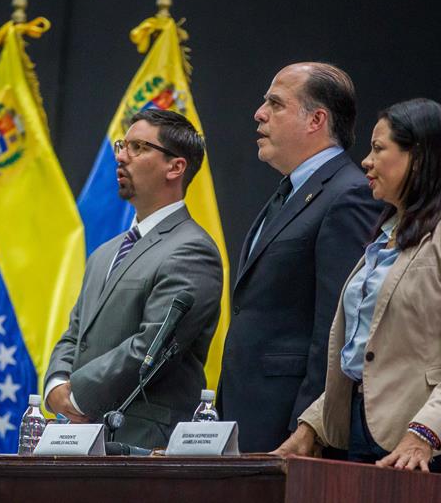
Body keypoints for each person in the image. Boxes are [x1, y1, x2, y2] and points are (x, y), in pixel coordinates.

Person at [275, 98, 441, 503]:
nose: (365, 161)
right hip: (363, 431)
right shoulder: (387, 235)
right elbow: (366, 355)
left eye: (379, 149)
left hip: (433, 445)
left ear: (418, 157)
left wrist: (425, 432)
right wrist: (311, 427)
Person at [218, 62, 382, 452]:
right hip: (248, 414)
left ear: (316, 120)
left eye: (275, 104)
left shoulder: (348, 195)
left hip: (291, 427)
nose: (259, 113)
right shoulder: (290, 191)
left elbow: (337, 326)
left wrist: (310, 426)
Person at [44, 109, 223, 448]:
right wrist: (56, 386)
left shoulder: (192, 250)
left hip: (143, 443)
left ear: (176, 167)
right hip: (81, 438)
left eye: (138, 147)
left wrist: (77, 395)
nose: (121, 157)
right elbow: (74, 335)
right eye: (121, 145)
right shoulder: (104, 254)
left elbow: (151, 346)